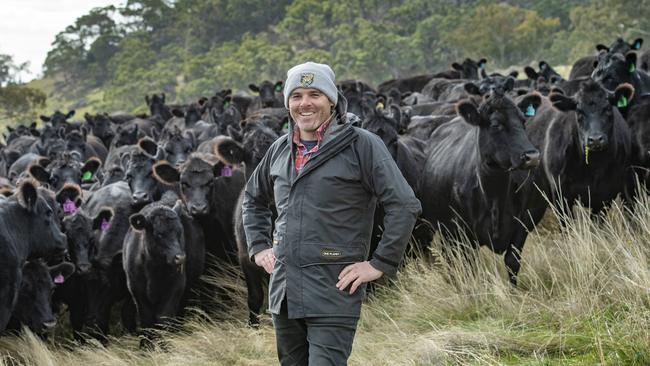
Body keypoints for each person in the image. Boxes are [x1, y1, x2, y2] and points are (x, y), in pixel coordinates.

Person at [242, 61, 421, 365]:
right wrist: (259, 247)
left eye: (315, 94)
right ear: (288, 103)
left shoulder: (362, 146)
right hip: (284, 293)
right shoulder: (279, 150)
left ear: (332, 99)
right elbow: (252, 198)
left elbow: (404, 205)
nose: (305, 103)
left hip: (333, 291)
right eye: (296, 96)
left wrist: (381, 262)